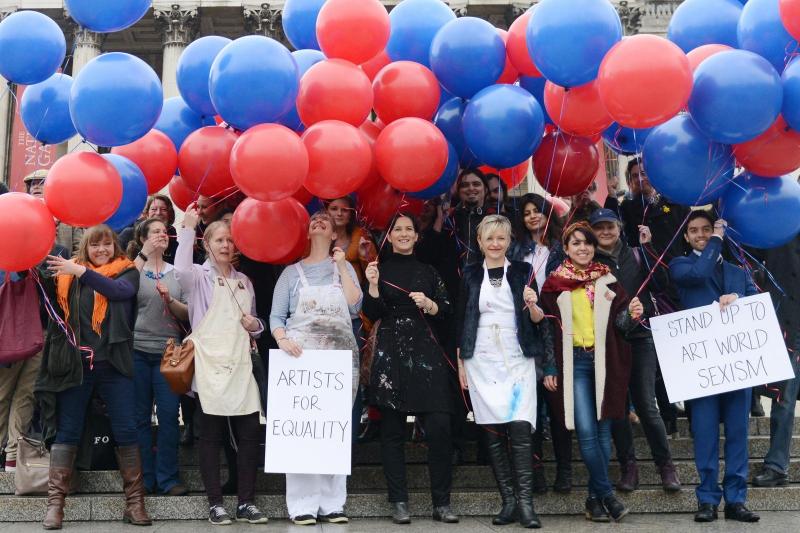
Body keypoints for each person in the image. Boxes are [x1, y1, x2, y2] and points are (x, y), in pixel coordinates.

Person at [35, 225, 150, 529]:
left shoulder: (127, 272)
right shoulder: (67, 274)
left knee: (126, 430)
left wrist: (80, 271)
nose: (102, 250)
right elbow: (41, 287)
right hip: (76, 367)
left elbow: (117, 292)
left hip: (114, 366)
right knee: (68, 430)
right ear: (86, 247)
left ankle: (135, 505)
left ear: (115, 247)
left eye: (107, 244)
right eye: (95, 245)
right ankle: (55, 506)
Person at [539, 222, 643, 522]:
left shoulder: (608, 280)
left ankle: (593, 499)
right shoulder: (554, 283)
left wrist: (633, 315)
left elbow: (622, 326)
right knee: (585, 431)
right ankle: (608, 495)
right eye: (576, 243)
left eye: (587, 243)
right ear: (566, 248)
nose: (582, 248)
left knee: (602, 434)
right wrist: (548, 366)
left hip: (605, 362)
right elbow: (546, 327)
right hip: (574, 363)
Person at [457, 215, 554, 529]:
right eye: (490, 238)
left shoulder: (524, 271)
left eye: (501, 238)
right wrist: (461, 363)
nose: (496, 244)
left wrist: (533, 304)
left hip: (516, 356)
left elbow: (539, 318)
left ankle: (526, 504)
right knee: (493, 432)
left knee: (521, 427)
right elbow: (462, 321)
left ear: (509, 241)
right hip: (481, 359)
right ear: (480, 242)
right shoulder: (470, 273)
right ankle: (508, 501)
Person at [175, 207, 268, 526]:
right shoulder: (199, 277)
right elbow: (181, 271)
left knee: (249, 434)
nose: (226, 245)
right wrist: (187, 229)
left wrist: (254, 323)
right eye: (219, 240)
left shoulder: (245, 282)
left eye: (230, 240)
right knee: (211, 435)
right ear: (207, 244)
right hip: (210, 365)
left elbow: (256, 327)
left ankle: (246, 502)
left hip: (240, 364)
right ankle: (215, 502)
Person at [363, 213, 457, 525]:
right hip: (391, 352)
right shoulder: (379, 270)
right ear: (388, 237)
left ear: (417, 236)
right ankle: (399, 502)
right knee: (392, 431)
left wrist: (430, 304)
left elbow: (446, 310)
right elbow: (372, 312)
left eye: (409, 229)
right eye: (397, 230)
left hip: (427, 352)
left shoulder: (428, 271)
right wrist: (373, 286)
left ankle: (441, 503)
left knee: (441, 426)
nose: (403, 234)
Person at [270, 210, 362, 525]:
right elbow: (276, 316)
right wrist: (282, 339)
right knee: (303, 433)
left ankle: (333, 503)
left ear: (336, 234)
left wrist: (341, 265)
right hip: (301, 362)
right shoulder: (290, 274)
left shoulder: (345, 267)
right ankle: (302, 505)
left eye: (326, 220)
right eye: (314, 220)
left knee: (333, 430)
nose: (319, 222)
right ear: (308, 233)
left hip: (338, 363)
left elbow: (355, 305)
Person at [669, 211, 760, 523]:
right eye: (694, 231)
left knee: (738, 433)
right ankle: (707, 498)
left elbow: (759, 306)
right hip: (701, 370)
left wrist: (739, 298)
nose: (701, 235)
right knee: (705, 433)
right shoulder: (681, 266)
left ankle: (736, 499)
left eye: (707, 229)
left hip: (736, 367)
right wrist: (717, 240)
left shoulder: (737, 271)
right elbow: (700, 273)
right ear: (686, 236)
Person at [589, 208, 681, 493]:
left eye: (610, 226)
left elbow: (662, 283)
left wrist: (649, 246)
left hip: (641, 337)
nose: (605, 232)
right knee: (617, 406)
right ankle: (629, 466)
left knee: (646, 404)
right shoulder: (589, 261)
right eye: (599, 227)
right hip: (609, 338)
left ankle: (665, 465)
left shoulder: (637, 253)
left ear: (619, 227)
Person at [507, 194, 571, 493]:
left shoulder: (561, 247)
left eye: (538, 211)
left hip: (558, 324)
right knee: (528, 406)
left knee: (557, 405)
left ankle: (565, 470)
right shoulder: (516, 250)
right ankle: (536, 471)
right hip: (525, 327)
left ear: (548, 215)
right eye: (527, 212)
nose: (533, 217)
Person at [128, 217, 190, 496]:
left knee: (168, 416)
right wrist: (143, 255)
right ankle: (145, 478)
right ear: (142, 239)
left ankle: (168, 478)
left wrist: (171, 301)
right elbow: (123, 288)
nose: (161, 235)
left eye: (164, 232)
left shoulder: (176, 273)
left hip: (169, 353)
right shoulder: (135, 269)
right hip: (137, 350)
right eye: (154, 232)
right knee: (140, 417)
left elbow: (188, 314)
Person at [751, 233, 800, 487]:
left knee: (786, 398)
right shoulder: (777, 227)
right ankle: (777, 465)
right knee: (784, 397)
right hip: (785, 325)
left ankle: (777, 464)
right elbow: (748, 249)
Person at [619, 158, 689, 262]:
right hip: (644, 269)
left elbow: (690, 235)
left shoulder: (677, 203)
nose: (640, 179)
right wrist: (611, 196)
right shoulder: (627, 208)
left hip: (675, 267)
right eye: (634, 176)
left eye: (643, 173)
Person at [24, 169, 84, 257]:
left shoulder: (69, 217)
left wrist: (68, 267)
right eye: (33, 184)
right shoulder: (23, 216)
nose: (36, 187)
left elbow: (80, 249)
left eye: (41, 183)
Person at [325, 196, 378, 284]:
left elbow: (374, 274)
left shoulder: (362, 239)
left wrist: (365, 256)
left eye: (345, 210)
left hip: (355, 293)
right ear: (327, 212)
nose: (339, 213)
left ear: (351, 214)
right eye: (334, 209)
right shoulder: (316, 239)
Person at [120, 195, 179, 263]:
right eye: (154, 209)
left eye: (164, 209)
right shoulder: (128, 234)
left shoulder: (174, 243)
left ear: (170, 214)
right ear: (147, 214)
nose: (158, 213)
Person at [452, 169, 491, 268]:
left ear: (485, 189)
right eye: (465, 185)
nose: (470, 188)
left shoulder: (496, 219)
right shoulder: (449, 219)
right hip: (455, 281)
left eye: (476, 184)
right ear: (458, 191)